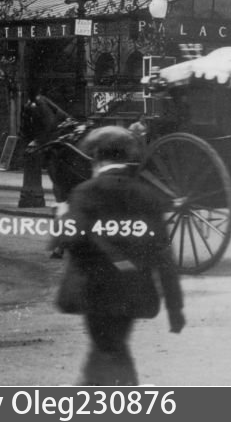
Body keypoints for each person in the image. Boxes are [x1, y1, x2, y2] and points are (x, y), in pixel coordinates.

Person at [52, 126, 184, 385]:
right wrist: (174, 307)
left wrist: (61, 220)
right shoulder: (146, 196)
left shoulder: (85, 192)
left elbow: (69, 239)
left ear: (97, 158)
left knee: (107, 350)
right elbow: (164, 256)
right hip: (134, 291)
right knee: (111, 348)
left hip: (95, 292)